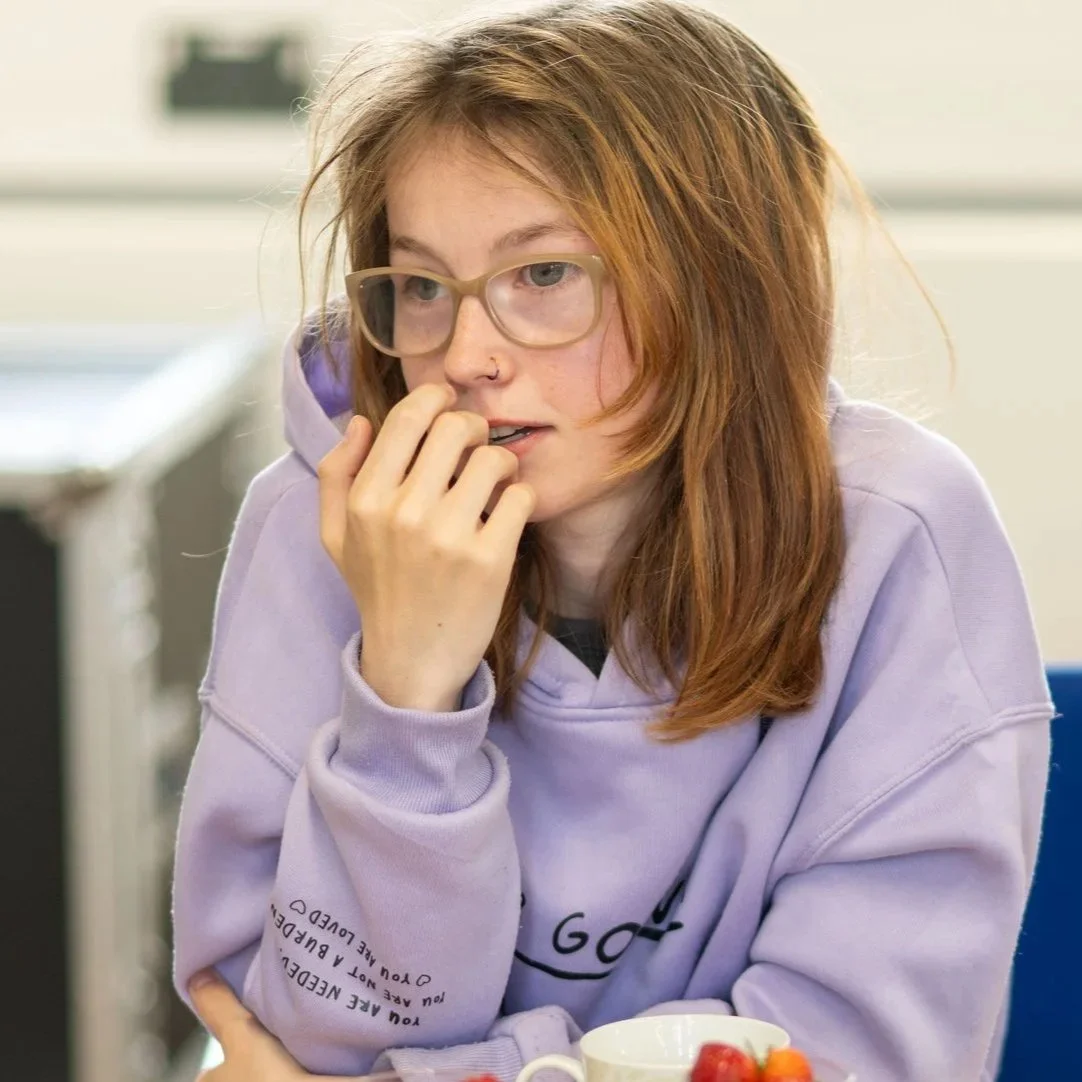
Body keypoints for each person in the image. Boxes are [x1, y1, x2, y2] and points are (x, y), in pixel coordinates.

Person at [172, 1, 1053, 1080]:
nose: (465, 352)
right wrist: (405, 693)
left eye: (543, 274)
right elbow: (286, 1022)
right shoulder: (326, 518)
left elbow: (843, 1060)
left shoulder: (899, 535)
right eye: (420, 286)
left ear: (722, 281)